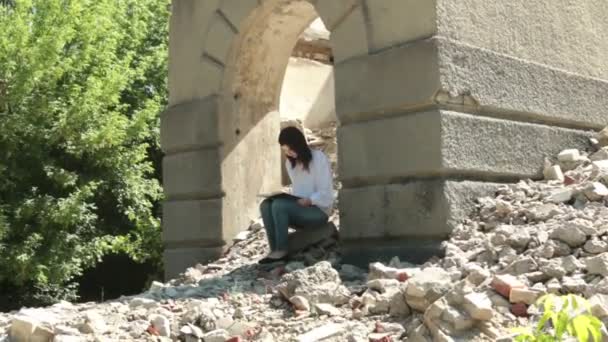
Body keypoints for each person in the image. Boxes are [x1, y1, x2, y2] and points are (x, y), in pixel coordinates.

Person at [258, 126, 334, 264]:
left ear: (298, 144)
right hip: (300, 209)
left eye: (290, 149)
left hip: (319, 211)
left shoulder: (318, 158)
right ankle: (274, 250)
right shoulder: (290, 164)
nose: (289, 154)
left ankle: (282, 250)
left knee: (279, 206)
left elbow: (327, 193)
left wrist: (310, 200)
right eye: (285, 151)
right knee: (266, 205)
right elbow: (299, 190)